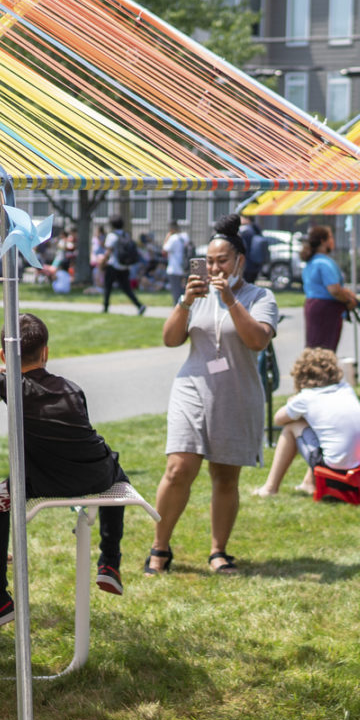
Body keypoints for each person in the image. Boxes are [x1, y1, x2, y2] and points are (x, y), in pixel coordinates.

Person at [0, 313, 131, 636]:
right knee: (118, 470)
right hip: (96, 476)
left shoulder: (8, 384)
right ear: (46, 352)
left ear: (3, 355)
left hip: (39, 482)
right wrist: (3, 374)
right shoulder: (72, 388)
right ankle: (110, 560)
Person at [151, 214, 280, 575]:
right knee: (179, 468)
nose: (214, 267)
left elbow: (257, 340)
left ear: (240, 260)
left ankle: (218, 551)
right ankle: (159, 548)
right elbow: (171, 339)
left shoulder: (260, 297)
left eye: (221, 260)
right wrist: (185, 303)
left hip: (236, 394)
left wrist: (230, 300)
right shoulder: (196, 294)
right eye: (208, 261)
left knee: (225, 477)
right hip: (192, 386)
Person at [253, 347, 360, 497]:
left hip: (339, 474)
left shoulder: (306, 398)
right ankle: (308, 483)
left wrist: (292, 403)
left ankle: (270, 488)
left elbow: (278, 419)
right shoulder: (345, 388)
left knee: (292, 427)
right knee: (320, 427)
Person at [300, 224, 357, 351]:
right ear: (323, 241)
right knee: (325, 350)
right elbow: (334, 290)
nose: (333, 240)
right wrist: (348, 300)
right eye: (330, 237)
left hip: (312, 306)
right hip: (326, 309)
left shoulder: (312, 261)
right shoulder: (324, 263)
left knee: (313, 347)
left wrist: (347, 293)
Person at [99, 215, 146, 316]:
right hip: (125, 266)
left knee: (108, 287)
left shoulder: (112, 236)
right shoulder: (126, 235)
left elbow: (108, 252)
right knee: (127, 288)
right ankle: (139, 305)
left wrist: (102, 263)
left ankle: (105, 307)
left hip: (113, 265)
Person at [162, 221, 192, 304]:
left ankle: (178, 311)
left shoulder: (173, 238)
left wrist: (167, 237)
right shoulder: (185, 236)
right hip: (184, 268)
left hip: (174, 269)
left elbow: (164, 250)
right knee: (183, 292)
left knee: (176, 294)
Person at [240, 215, 271, 286]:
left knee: (245, 287)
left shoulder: (246, 231)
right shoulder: (257, 229)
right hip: (256, 264)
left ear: (247, 219)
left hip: (247, 264)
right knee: (251, 286)